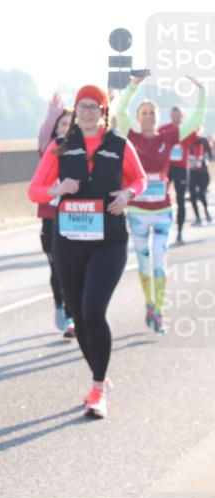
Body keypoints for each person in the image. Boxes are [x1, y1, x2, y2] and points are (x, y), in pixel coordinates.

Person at [28, 84, 147, 419]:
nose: (87, 111)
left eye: (95, 106)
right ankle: (101, 377)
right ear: (76, 110)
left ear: (104, 111)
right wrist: (57, 188)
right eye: (82, 106)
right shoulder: (60, 146)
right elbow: (34, 191)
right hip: (68, 240)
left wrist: (127, 195)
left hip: (108, 241)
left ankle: (97, 389)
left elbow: (141, 181)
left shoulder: (119, 145)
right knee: (79, 318)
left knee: (94, 311)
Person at [114, 74, 206, 333]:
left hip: (163, 210)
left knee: (159, 261)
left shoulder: (168, 136)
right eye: (143, 113)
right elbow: (120, 110)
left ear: (157, 117)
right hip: (138, 212)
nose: (148, 117)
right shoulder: (130, 136)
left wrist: (201, 92)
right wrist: (133, 86)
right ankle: (150, 304)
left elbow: (196, 120)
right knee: (144, 262)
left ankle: (160, 311)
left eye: (152, 113)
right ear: (138, 117)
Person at [36, 94, 76, 338]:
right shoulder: (49, 152)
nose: (65, 130)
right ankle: (62, 307)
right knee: (57, 268)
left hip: (76, 218)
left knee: (73, 268)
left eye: (69, 125)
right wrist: (52, 114)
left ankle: (73, 312)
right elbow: (43, 138)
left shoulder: (83, 151)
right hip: (51, 218)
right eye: (62, 125)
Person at [160, 104, 197, 245]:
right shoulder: (164, 130)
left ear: (182, 117)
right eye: (174, 116)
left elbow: (198, 139)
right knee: (162, 196)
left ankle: (180, 232)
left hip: (181, 169)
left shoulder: (187, 130)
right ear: (171, 116)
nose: (176, 119)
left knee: (181, 199)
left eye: (179, 116)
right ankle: (161, 227)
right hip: (167, 169)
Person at [187, 129, 212, 225]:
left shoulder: (204, 140)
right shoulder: (187, 141)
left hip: (203, 172)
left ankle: (206, 212)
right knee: (192, 196)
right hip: (191, 173)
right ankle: (197, 218)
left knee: (202, 194)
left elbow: (209, 155)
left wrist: (204, 160)